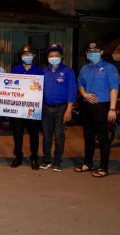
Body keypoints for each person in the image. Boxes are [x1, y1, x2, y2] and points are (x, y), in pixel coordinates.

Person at [74, 42, 120, 177]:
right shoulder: (84, 69)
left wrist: (112, 108)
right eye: (89, 52)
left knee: (103, 138)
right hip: (87, 105)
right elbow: (80, 84)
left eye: (95, 51)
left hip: (102, 106)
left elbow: (114, 88)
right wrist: (84, 94)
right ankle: (88, 163)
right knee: (88, 136)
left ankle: (103, 167)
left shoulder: (109, 68)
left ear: (100, 53)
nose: (92, 54)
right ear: (86, 54)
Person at [40, 44, 77, 172]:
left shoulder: (68, 71)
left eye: (56, 55)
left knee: (59, 135)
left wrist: (69, 109)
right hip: (45, 108)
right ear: (47, 57)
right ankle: (46, 160)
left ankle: (57, 161)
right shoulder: (43, 71)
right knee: (46, 135)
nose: (53, 58)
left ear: (61, 56)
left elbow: (72, 90)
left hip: (61, 108)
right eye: (51, 56)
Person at [10, 45, 44, 170]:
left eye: (29, 54)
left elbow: (41, 89)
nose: (27, 57)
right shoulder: (15, 69)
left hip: (32, 108)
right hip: (18, 108)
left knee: (34, 133)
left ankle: (34, 157)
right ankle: (18, 156)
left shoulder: (39, 71)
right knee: (17, 133)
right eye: (24, 55)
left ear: (34, 55)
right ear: (21, 56)